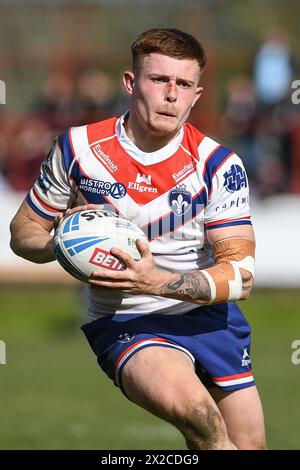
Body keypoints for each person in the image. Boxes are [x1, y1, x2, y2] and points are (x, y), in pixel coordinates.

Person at [10, 28, 266, 450]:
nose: (171, 95)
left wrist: (156, 280)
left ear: (196, 95)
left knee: (249, 445)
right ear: (131, 83)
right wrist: (62, 242)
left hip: (211, 318)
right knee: (205, 424)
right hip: (129, 322)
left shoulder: (219, 165)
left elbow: (241, 276)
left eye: (183, 84)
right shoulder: (78, 149)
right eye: (159, 80)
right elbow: (23, 232)